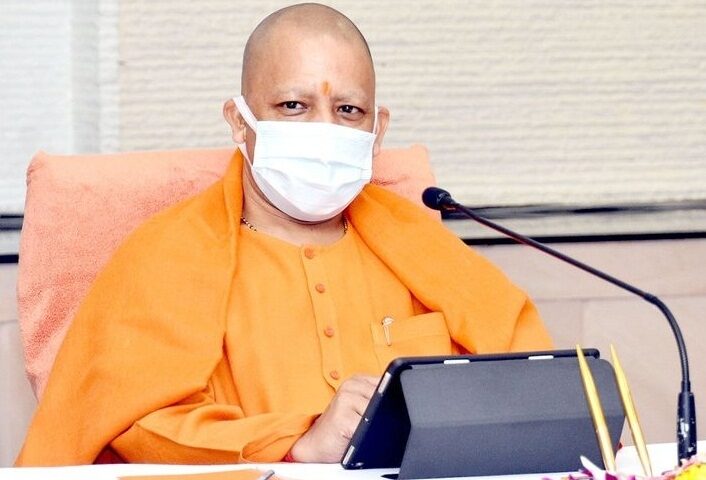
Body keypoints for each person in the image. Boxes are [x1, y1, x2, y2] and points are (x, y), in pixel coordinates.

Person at [16, 3, 552, 466]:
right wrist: (297, 443)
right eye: (293, 106)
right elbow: (134, 423)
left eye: (348, 110)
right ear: (239, 120)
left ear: (377, 130)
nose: (324, 129)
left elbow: (538, 392)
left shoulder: (421, 248)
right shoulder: (165, 256)